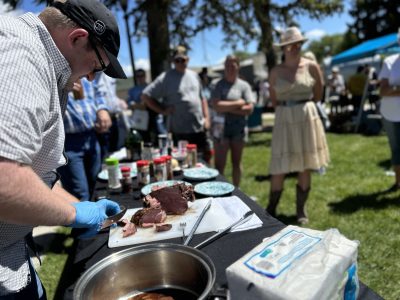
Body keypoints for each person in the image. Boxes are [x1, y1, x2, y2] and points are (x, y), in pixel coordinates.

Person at [0, 0, 127, 298]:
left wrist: (79, 205)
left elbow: (34, 173)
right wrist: (72, 214)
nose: (93, 77)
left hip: (12, 252)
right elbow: (5, 181)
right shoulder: (20, 54)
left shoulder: (46, 60)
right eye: (97, 66)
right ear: (77, 38)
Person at [266, 27, 329, 224]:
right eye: (289, 45)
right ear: (282, 48)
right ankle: (271, 209)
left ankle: (301, 210)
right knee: (279, 167)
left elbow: (318, 94)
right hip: (284, 119)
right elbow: (274, 100)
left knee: (305, 165)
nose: (294, 48)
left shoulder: (311, 66)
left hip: (306, 118)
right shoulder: (275, 71)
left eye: (298, 44)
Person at [141, 46, 211, 160]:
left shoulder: (194, 75)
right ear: (173, 61)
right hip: (178, 131)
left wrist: (207, 118)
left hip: (198, 128)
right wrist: (162, 110)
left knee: (203, 160)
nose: (180, 63)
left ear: (187, 59)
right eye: (177, 60)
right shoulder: (166, 77)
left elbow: (202, 98)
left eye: (182, 60)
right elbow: (145, 96)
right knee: (183, 162)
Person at [58, 78, 112, 201]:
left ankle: (98, 219)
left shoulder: (89, 67)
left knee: (98, 185)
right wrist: (59, 86)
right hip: (68, 141)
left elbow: (98, 90)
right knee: (79, 194)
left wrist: (102, 108)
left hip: (91, 135)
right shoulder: (57, 68)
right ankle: (84, 220)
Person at [210, 55, 255, 187]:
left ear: (238, 67)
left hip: (238, 129)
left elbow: (249, 109)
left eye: (233, 65)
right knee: (220, 164)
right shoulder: (218, 85)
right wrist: (238, 102)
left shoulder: (244, 86)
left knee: (236, 162)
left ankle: (237, 191)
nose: (230, 68)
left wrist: (227, 107)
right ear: (224, 67)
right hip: (221, 129)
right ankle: (218, 190)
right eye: (227, 66)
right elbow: (216, 105)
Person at [378, 30, 400, 192]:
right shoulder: (390, 62)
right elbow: (382, 91)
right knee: (396, 148)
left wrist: (395, 89)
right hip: (391, 113)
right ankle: (398, 181)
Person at [95, 72, 127, 160]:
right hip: (102, 121)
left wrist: (119, 101)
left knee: (119, 153)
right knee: (106, 155)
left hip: (116, 118)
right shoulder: (89, 75)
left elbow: (112, 95)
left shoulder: (109, 74)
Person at [127, 69, 163, 144]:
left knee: (156, 135)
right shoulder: (132, 90)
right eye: (138, 76)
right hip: (140, 115)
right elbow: (129, 103)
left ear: (145, 76)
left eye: (142, 75)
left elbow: (158, 100)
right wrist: (135, 104)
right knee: (143, 137)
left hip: (152, 115)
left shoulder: (151, 87)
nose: (140, 78)